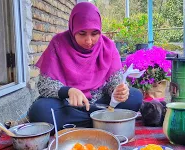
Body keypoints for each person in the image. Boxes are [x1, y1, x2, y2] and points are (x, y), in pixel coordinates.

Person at [28, 2, 143, 130]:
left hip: (100, 102)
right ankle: (102, 120)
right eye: (82, 34)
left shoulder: (108, 46)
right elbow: (44, 85)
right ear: (73, 29)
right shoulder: (58, 43)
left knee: (135, 97)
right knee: (39, 111)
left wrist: (118, 92)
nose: (89, 41)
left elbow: (114, 82)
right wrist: (69, 91)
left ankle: (82, 122)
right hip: (68, 105)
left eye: (94, 34)